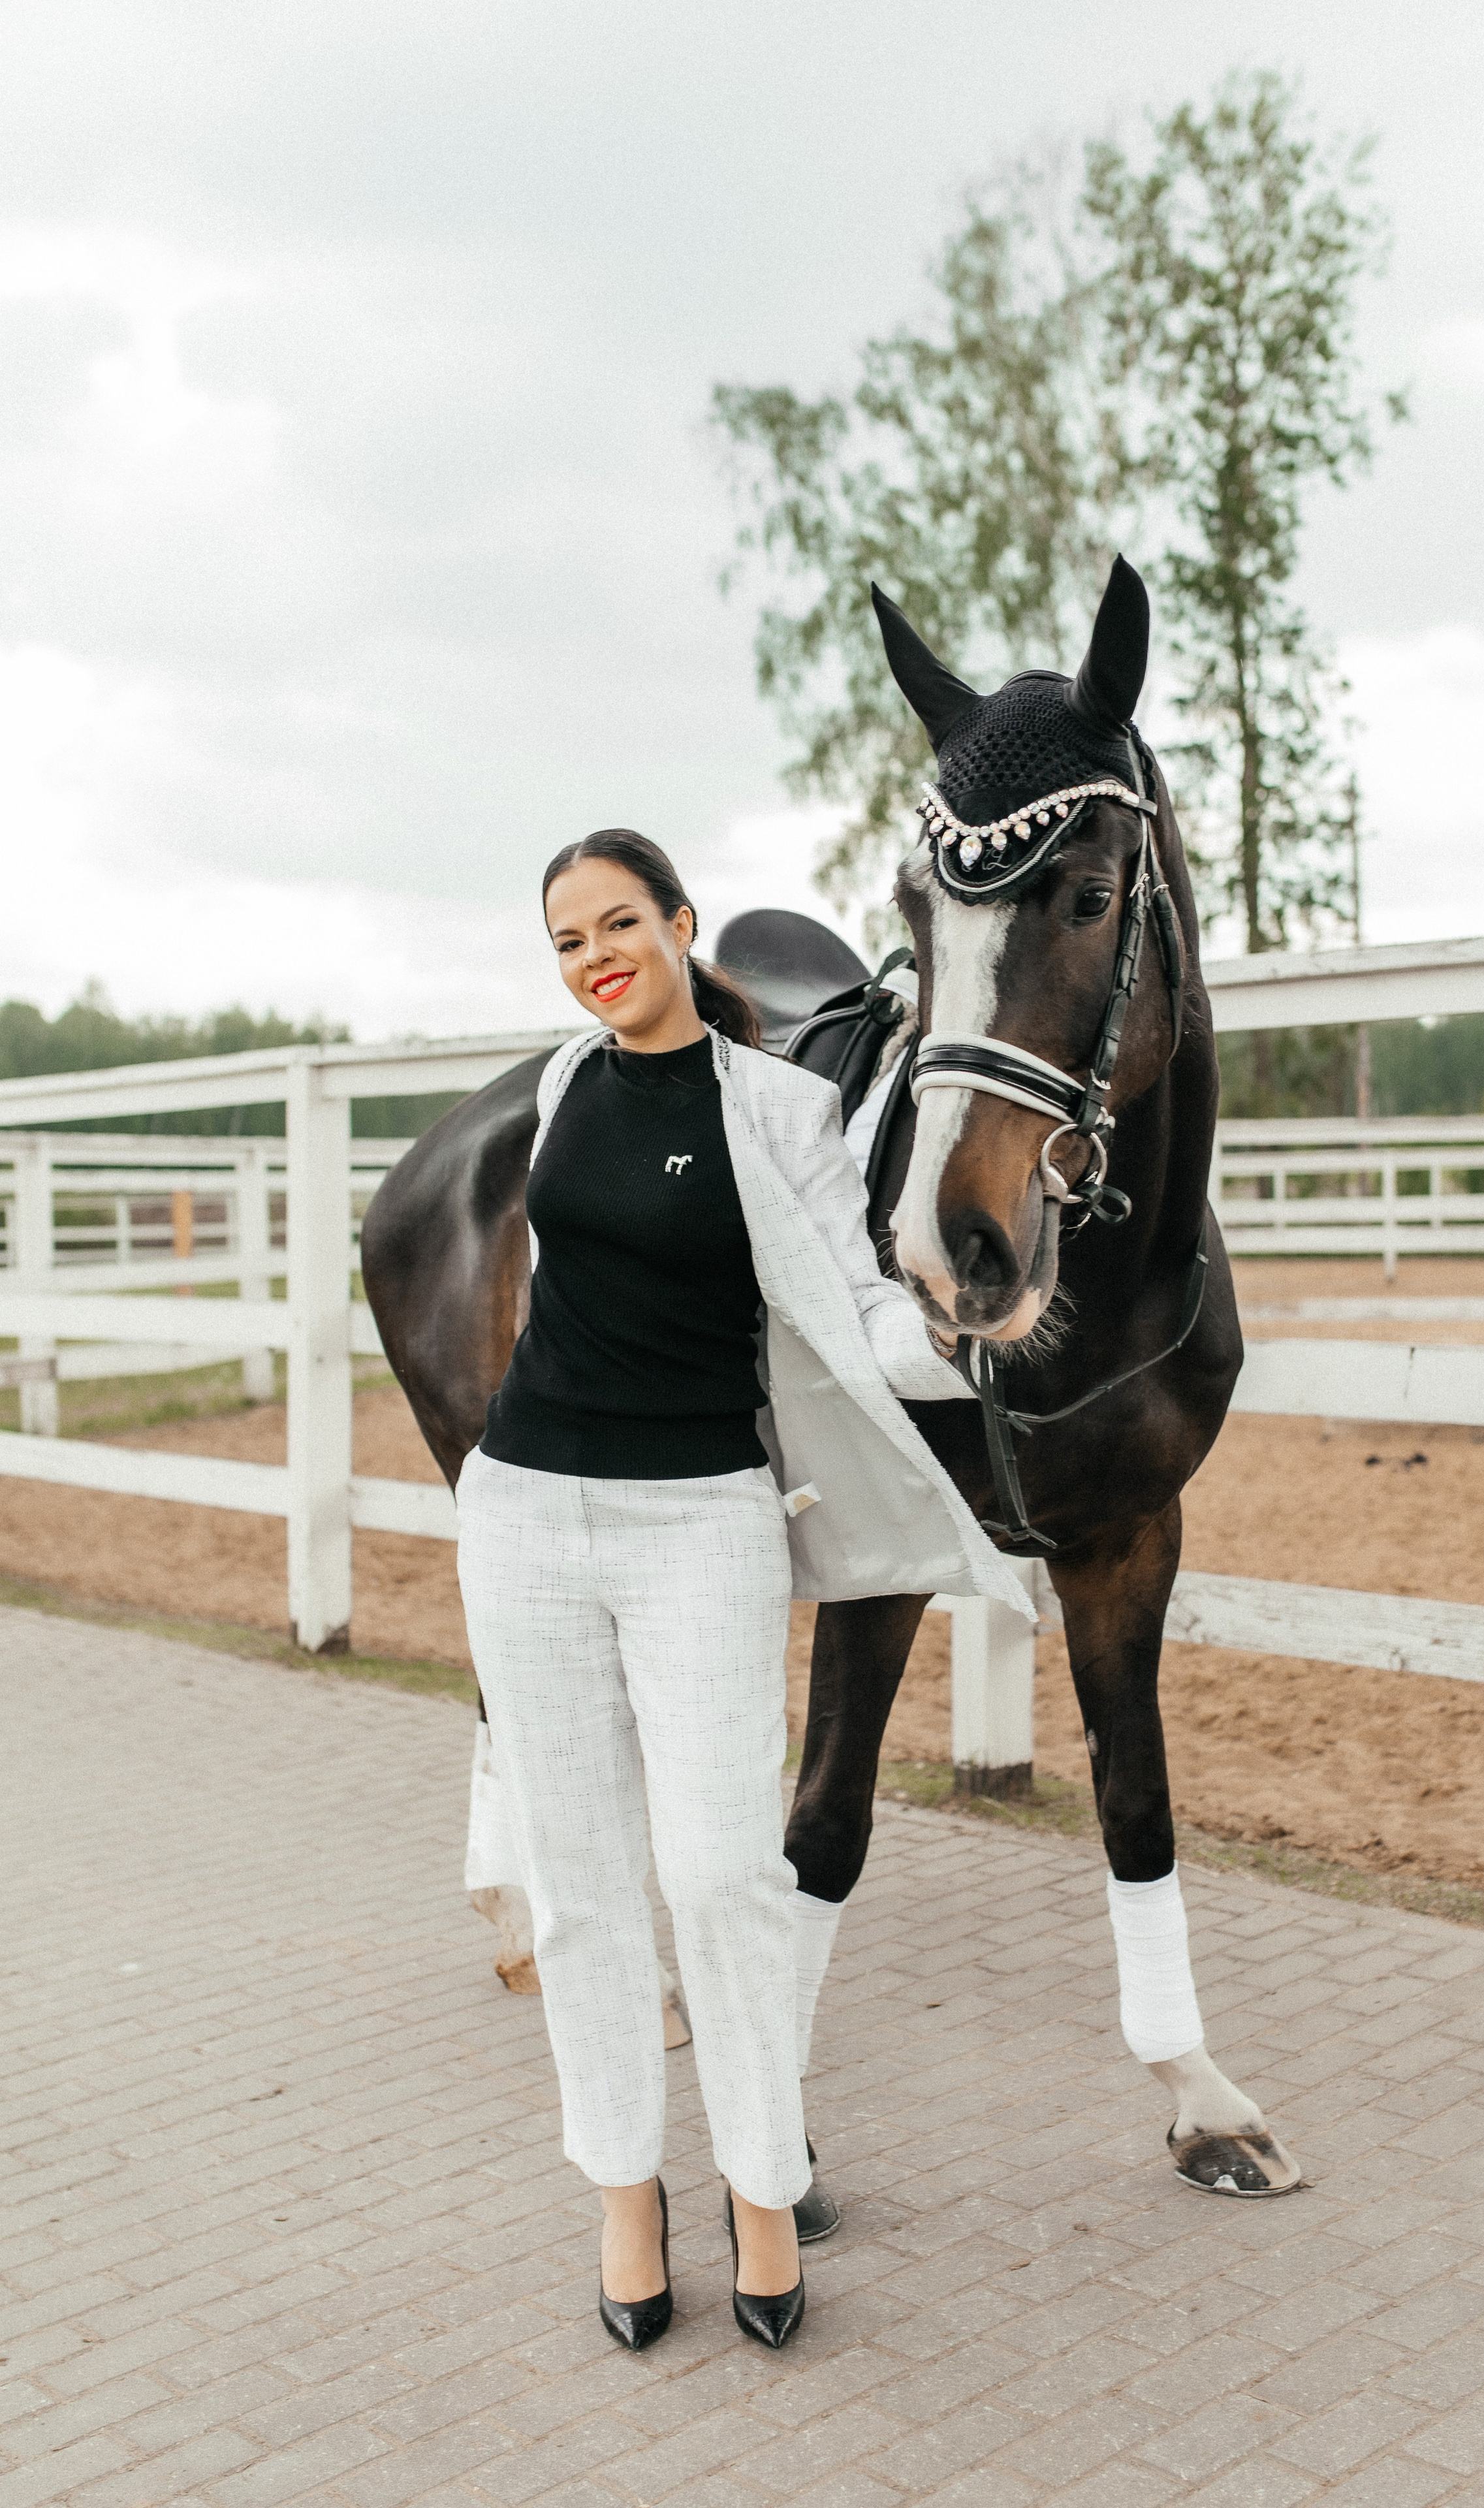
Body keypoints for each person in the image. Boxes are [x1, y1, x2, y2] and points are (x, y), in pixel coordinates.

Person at [453, 827, 1027, 2352]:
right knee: (580, 1893)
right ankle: (624, 2192)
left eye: (619, 922)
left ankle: (759, 2185)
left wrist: (978, 1330)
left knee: (718, 1872)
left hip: (698, 1521)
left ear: (679, 922)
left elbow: (851, 1305)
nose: (595, 958)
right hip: (522, 1516)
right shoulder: (567, 1084)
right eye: (568, 939)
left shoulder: (779, 1107)